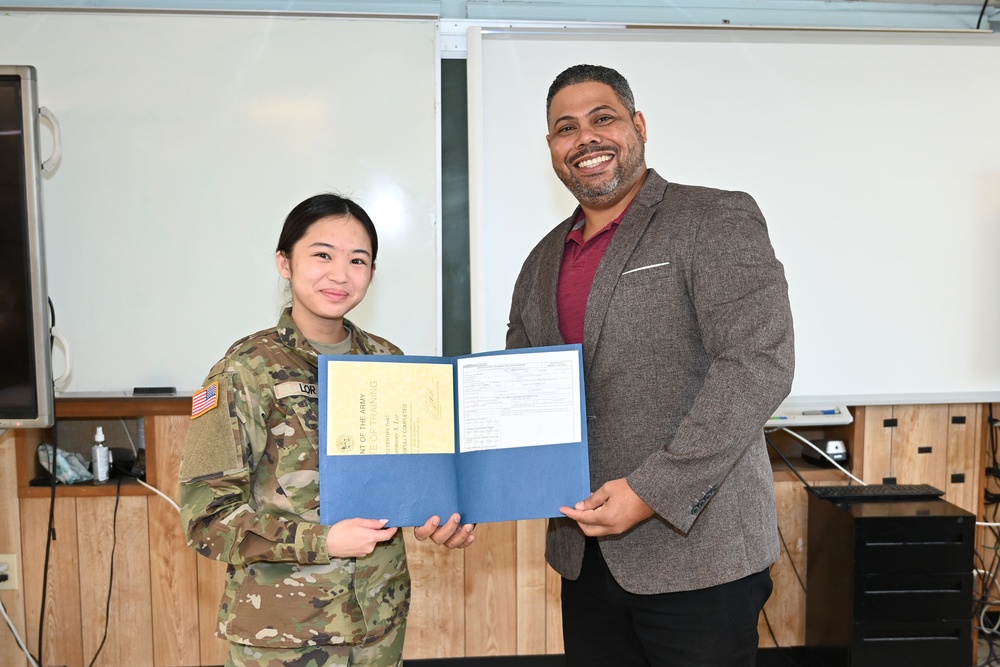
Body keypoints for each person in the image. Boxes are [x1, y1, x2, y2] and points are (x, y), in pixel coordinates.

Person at [505, 64, 795, 666]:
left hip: (700, 556)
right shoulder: (539, 262)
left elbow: (756, 363)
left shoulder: (712, 218)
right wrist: (463, 490)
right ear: (553, 150)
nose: (584, 138)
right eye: (565, 129)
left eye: (602, 118)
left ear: (637, 126)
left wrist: (650, 491)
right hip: (584, 556)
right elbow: (518, 394)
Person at [179, 193, 474, 667]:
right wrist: (323, 540)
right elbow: (206, 522)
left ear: (371, 273)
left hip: (379, 623)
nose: (340, 274)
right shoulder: (241, 372)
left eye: (358, 260)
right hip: (282, 635)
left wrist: (442, 516)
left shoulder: (390, 362)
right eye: (322, 255)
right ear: (284, 262)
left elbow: (416, 481)